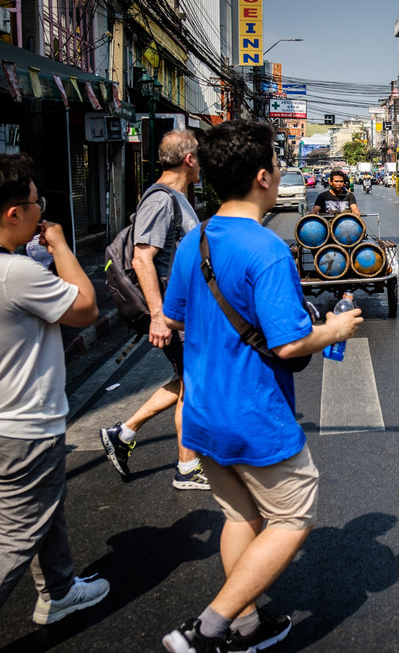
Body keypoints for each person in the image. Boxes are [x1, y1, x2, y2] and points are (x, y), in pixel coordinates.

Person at [160, 120, 363, 651]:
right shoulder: (268, 249)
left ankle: (246, 622)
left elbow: (176, 317)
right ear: (262, 176)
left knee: (240, 516)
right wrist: (335, 329)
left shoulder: (195, 241)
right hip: (254, 415)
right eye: (275, 163)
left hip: (203, 411)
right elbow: (289, 344)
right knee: (294, 516)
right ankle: (208, 627)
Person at [0, 154, 110, 624]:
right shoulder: (16, 274)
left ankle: (60, 589)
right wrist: (62, 246)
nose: (40, 210)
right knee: (16, 537)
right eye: (35, 202)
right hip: (25, 423)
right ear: (13, 213)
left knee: (46, 505)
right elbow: (86, 307)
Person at [99, 129, 209, 490]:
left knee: (187, 380)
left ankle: (124, 432)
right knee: (192, 385)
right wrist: (159, 316)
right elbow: (142, 258)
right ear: (189, 160)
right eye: (200, 158)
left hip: (184, 311)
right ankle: (186, 467)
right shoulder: (162, 200)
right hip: (173, 314)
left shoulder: (177, 198)